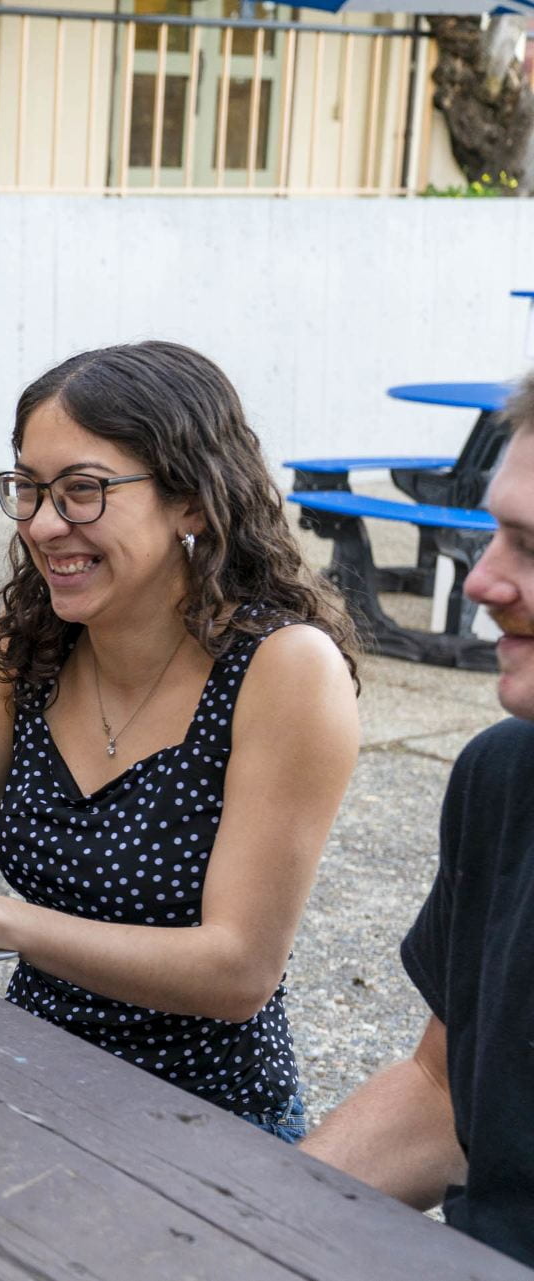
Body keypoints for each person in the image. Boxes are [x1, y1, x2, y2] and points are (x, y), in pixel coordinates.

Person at [0, 341, 361, 1138]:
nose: (45, 524)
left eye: (83, 491)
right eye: (27, 489)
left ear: (192, 500)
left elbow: (238, 971)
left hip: (210, 1129)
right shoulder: (34, 645)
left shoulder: (285, 668)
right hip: (29, 1081)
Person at [302, 375, 534, 1265]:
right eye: (495, 529)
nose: (481, 578)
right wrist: (237, 1218)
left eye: (531, 544)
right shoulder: (503, 777)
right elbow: (443, 1092)